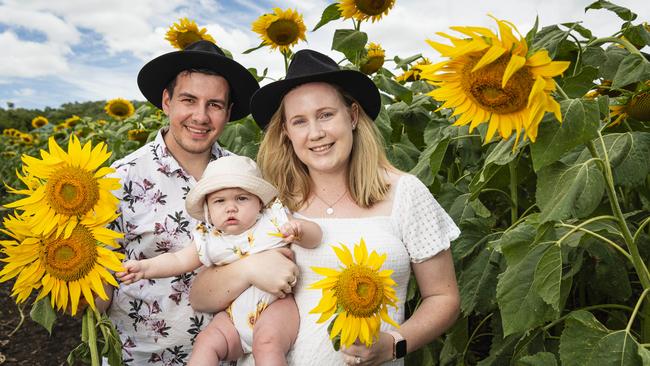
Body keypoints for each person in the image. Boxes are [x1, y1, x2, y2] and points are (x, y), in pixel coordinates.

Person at [190, 49, 461, 365]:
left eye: (326, 115)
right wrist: (249, 268)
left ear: (353, 116)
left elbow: (444, 298)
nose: (316, 133)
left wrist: (392, 346)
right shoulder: (271, 202)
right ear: (287, 134)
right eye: (299, 121)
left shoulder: (404, 193)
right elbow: (202, 296)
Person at [103, 40, 260, 365]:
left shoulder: (244, 175)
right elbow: (98, 286)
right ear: (167, 101)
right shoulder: (119, 179)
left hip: (233, 355)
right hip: (144, 358)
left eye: (215, 105)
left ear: (229, 112)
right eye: (189, 100)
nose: (201, 116)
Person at [116, 155, 321, 365]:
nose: (230, 207)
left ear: (259, 203)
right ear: (208, 211)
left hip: (276, 306)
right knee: (207, 341)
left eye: (241, 198)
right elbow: (177, 260)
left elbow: (316, 237)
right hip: (233, 316)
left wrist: (300, 231)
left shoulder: (273, 222)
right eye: (219, 201)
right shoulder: (210, 238)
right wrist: (144, 268)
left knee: (267, 344)